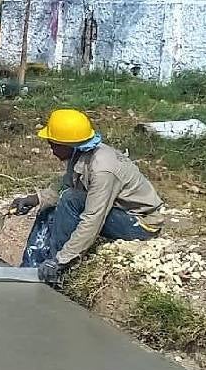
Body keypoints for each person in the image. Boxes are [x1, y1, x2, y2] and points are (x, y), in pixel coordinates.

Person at [13, 109, 164, 284]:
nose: (51, 149)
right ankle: (30, 269)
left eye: (53, 144)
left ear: (67, 144)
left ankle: (56, 271)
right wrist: (35, 199)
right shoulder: (80, 154)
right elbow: (65, 185)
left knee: (69, 200)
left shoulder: (103, 169)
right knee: (50, 209)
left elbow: (93, 219)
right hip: (115, 210)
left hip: (139, 223)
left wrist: (61, 260)